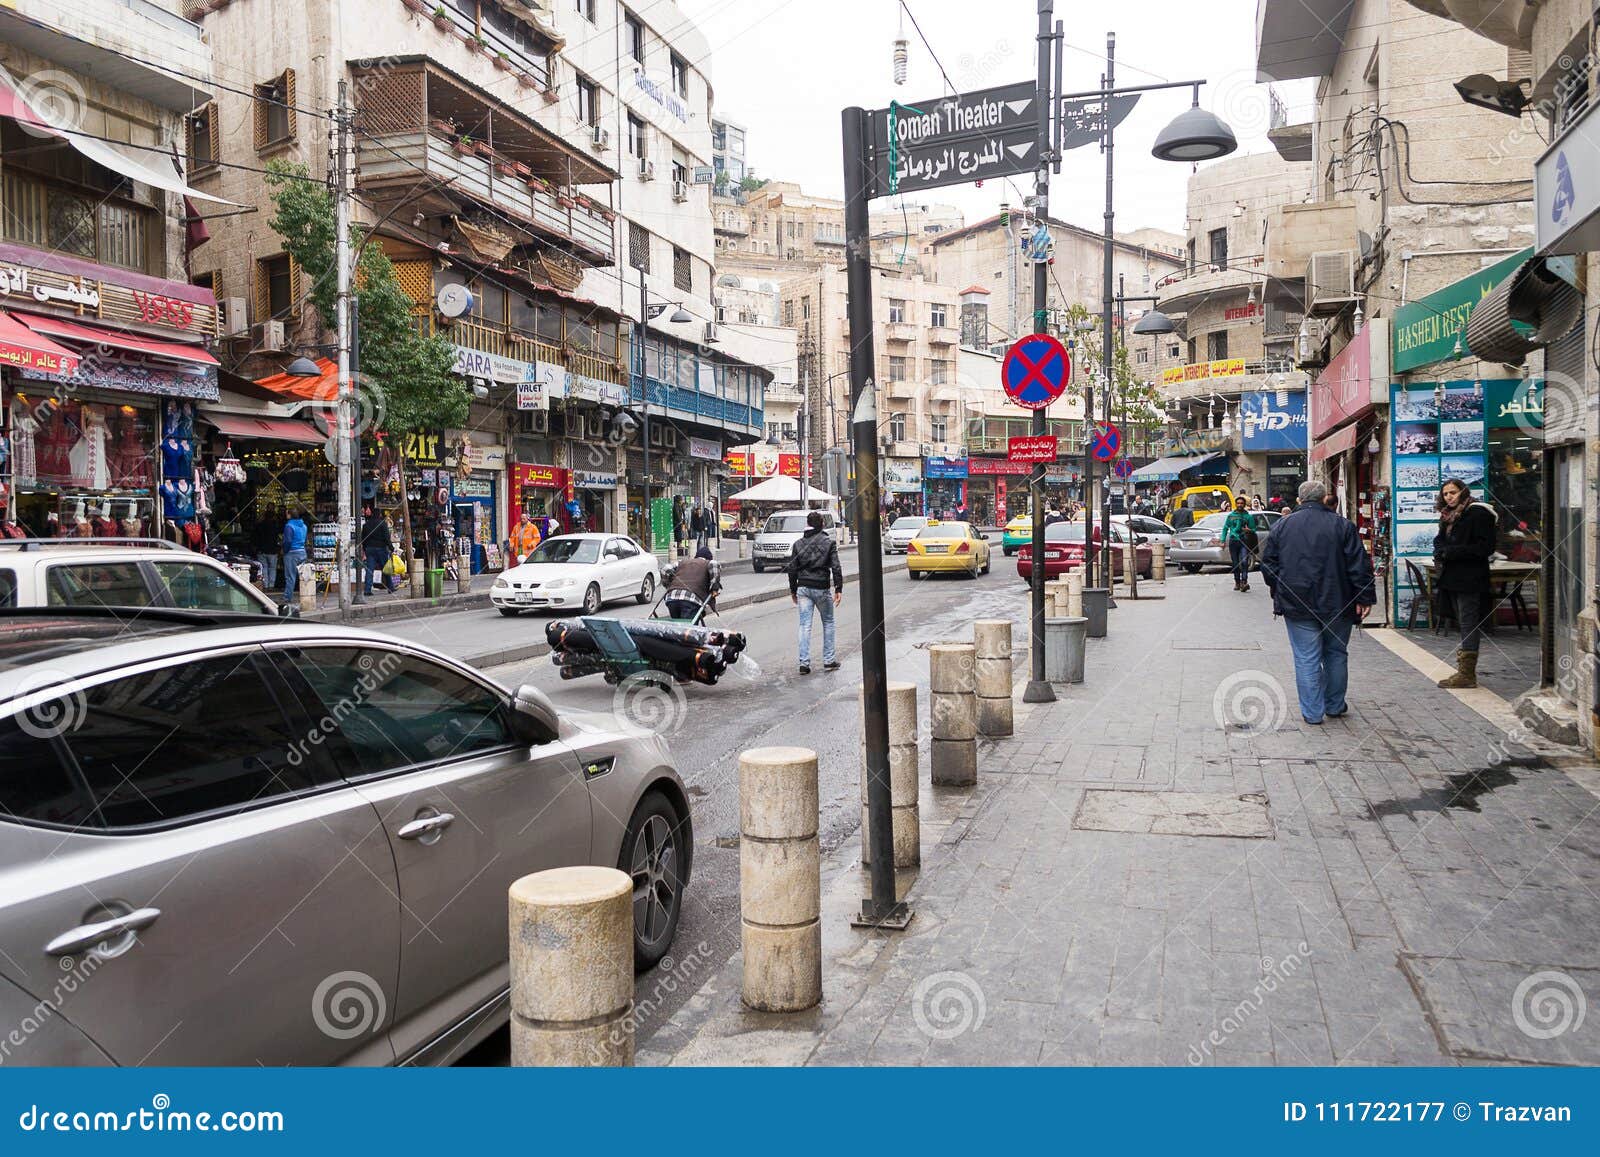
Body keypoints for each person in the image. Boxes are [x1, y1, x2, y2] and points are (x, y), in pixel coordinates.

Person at [1259, 480, 1376, 725]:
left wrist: (1279, 588)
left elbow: (1268, 564)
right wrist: (1364, 597)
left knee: (1306, 657)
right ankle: (1334, 705)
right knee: (1335, 653)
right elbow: (1359, 564)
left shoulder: (1282, 527)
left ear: (1300, 500)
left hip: (1296, 602)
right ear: (1324, 499)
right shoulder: (1342, 525)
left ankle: (1313, 713)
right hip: (1339, 601)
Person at [1433, 477, 1498, 689]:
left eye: (1453, 492)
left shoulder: (1478, 513)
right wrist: (1440, 549)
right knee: (1462, 621)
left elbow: (1484, 547)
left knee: (1469, 623)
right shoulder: (1449, 516)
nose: (1449, 497)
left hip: (1470, 578)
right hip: (1452, 577)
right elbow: (1441, 539)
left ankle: (1467, 673)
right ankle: (1464, 670)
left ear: (1463, 491)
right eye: (1445, 494)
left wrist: (1451, 552)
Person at [787, 510, 843, 675]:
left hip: (803, 587)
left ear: (808, 524)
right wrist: (838, 588)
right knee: (828, 622)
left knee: (805, 625)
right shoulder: (829, 543)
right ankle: (829, 660)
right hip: (821, 587)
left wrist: (793, 590)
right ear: (822, 525)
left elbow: (792, 569)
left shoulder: (798, 544)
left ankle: (804, 663)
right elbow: (836, 567)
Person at [662, 544, 721, 621]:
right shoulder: (708, 563)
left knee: (679, 627)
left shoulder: (682, 562)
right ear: (708, 558)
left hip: (672, 599)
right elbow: (714, 564)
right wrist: (714, 588)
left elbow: (665, 569)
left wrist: (669, 585)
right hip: (691, 600)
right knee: (689, 630)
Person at [1222, 496, 1257, 592]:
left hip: (1244, 541)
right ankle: (1237, 582)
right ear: (1235, 504)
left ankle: (1244, 582)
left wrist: (1249, 530)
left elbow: (1254, 529)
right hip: (1233, 541)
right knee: (1235, 563)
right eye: (1238, 503)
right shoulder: (1231, 516)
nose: (1240, 505)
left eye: (1242, 503)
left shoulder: (1248, 517)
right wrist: (1223, 541)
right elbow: (1225, 528)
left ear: (1244, 505)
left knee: (1245, 561)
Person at [361, 506, 394, 596]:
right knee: (386, 569)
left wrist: (365, 549)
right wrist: (391, 548)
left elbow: (363, 539)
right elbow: (387, 538)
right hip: (381, 549)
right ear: (379, 514)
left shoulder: (366, 525)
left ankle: (367, 590)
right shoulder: (382, 524)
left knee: (369, 569)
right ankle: (390, 587)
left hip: (370, 549)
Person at [281, 507, 309, 605]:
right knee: (303, 576)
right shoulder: (304, 526)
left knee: (290, 577)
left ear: (290, 515)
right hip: (302, 551)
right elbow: (305, 540)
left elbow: (287, 541)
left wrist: (284, 551)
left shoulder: (289, 526)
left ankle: (287, 597)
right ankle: (306, 595)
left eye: (286, 513)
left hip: (292, 553)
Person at [252, 514, 280, 591]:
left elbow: (256, 538)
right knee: (272, 568)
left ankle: (266, 585)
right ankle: (271, 585)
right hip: (273, 550)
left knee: (264, 568)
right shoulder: (275, 526)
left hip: (262, 550)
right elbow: (278, 538)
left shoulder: (260, 526)